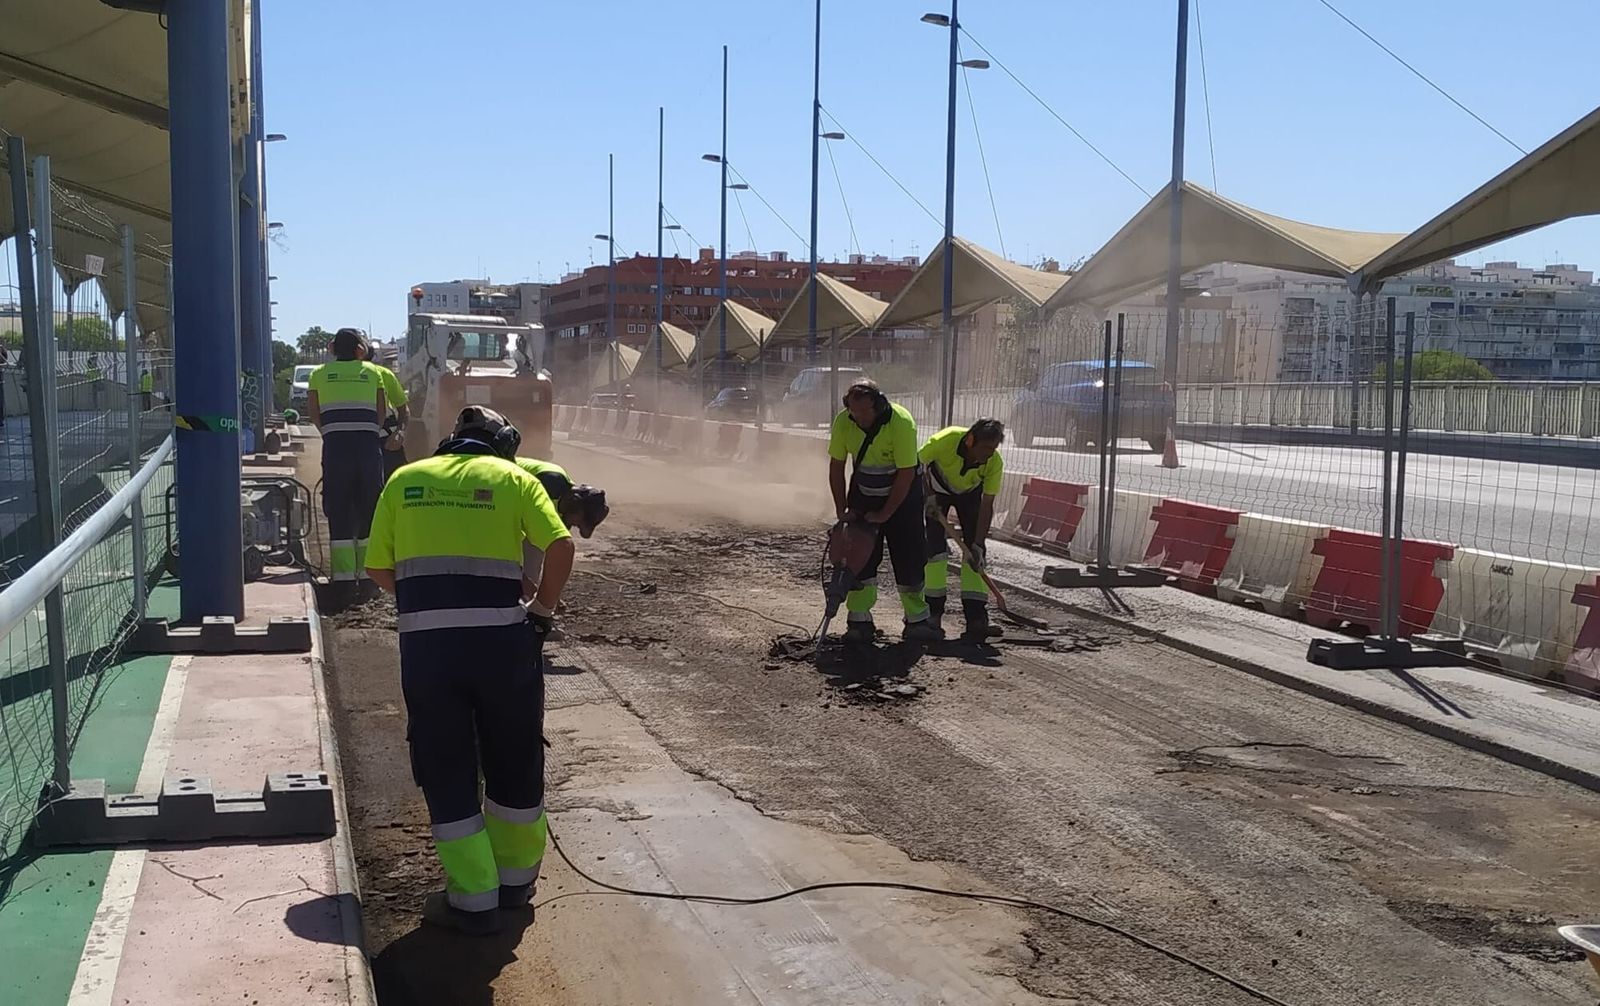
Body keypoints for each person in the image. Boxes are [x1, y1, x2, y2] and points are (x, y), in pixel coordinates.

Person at [365, 406, 572, 935]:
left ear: (451, 441)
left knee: (446, 763)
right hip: (504, 644)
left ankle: (472, 899)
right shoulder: (515, 478)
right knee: (514, 755)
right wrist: (541, 612)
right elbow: (562, 546)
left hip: (429, 651)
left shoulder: (404, 479)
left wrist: (428, 605)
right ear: (502, 445)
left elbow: (377, 569)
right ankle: (515, 884)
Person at [827, 380, 940, 643]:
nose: (860, 419)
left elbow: (906, 473)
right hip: (864, 494)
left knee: (909, 556)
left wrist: (886, 514)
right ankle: (858, 620)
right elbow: (836, 466)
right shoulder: (844, 421)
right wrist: (841, 509)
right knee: (858, 557)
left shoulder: (901, 422)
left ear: (878, 405)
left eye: (865, 412)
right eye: (855, 413)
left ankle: (917, 620)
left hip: (902, 498)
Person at [307, 328, 387, 588]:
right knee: (369, 507)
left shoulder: (317, 375)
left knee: (338, 507)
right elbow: (381, 412)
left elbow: (314, 412)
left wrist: (330, 433)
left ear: (331, 349)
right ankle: (367, 576)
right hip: (367, 447)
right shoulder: (374, 373)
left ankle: (341, 577)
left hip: (335, 448)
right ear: (360, 351)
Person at [921, 419, 1006, 642]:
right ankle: (932, 613)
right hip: (936, 491)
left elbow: (987, 504)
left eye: (993, 448)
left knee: (975, 555)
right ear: (970, 440)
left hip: (969, 495)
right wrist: (927, 496)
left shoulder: (993, 463)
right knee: (935, 551)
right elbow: (915, 464)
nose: (989, 454)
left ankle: (976, 616)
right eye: (985, 448)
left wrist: (978, 543)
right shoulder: (944, 441)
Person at [512, 457, 609, 602]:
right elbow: (511, 535)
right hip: (492, 488)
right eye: (578, 523)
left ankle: (526, 602)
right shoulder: (547, 485)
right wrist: (524, 581)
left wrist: (548, 593)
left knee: (533, 555)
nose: (573, 527)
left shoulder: (564, 507)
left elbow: (549, 550)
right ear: (574, 505)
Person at [359, 340, 411, 481]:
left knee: (393, 482)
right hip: (358, 440)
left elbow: (403, 409)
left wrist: (399, 432)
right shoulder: (339, 376)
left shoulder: (384, 374)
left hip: (386, 440)